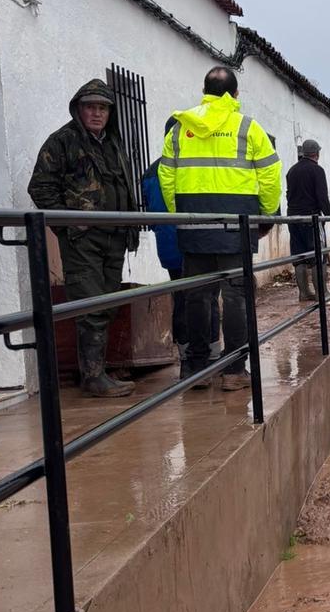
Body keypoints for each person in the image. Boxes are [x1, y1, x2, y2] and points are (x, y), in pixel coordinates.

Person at [159, 66, 281, 391]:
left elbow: (166, 177)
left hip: (194, 225)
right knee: (236, 296)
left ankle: (197, 369)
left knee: (197, 296)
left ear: (205, 91)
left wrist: (180, 214)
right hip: (235, 225)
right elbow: (270, 175)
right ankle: (234, 371)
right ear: (235, 94)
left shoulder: (181, 128)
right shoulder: (247, 127)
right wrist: (266, 212)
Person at [28, 78, 138, 397]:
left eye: (102, 108)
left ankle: (97, 370)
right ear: (79, 109)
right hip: (84, 241)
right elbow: (40, 188)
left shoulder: (114, 142)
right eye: (90, 107)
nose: (96, 113)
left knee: (109, 303)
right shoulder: (62, 141)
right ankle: (92, 377)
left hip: (115, 237)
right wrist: (71, 225)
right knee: (90, 306)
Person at [141, 119, 219, 374]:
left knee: (183, 299)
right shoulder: (194, 165)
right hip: (198, 243)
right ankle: (209, 357)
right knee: (206, 298)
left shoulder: (151, 171)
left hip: (170, 246)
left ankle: (188, 361)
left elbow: (151, 212)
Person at [285, 139, 330, 302]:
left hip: (293, 218)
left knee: (299, 256)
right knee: (318, 255)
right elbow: (322, 198)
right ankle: (322, 293)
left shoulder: (291, 171)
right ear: (317, 154)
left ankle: (304, 293)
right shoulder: (317, 170)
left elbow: (288, 195)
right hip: (311, 219)